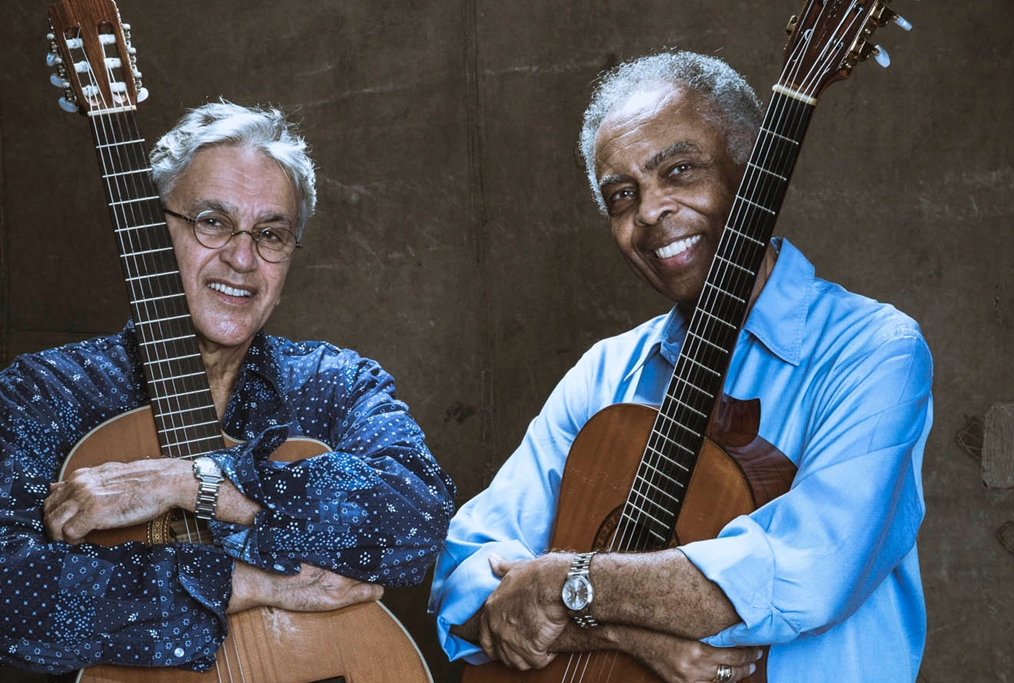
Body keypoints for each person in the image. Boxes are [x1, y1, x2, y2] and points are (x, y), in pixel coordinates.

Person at [429, 51, 931, 683]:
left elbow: (800, 574)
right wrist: (629, 635)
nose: (648, 212)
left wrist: (567, 585)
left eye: (680, 170)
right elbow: (461, 571)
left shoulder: (874, 351)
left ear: (753, 174)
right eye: (622, 195)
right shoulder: (605, 374)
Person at [0, 101, 456, 677]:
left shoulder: (333, 384)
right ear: (155, 230)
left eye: (271, 234)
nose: (242, 259)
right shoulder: (47, 392)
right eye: (211, 221)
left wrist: (193, 483)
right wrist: (245, 583)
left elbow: (416, 519)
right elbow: (9, 593)